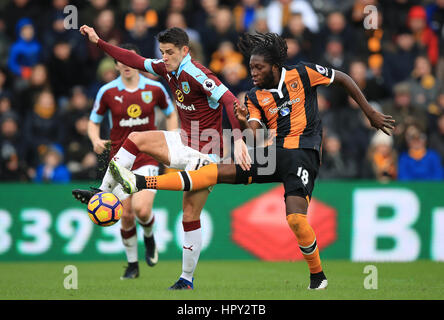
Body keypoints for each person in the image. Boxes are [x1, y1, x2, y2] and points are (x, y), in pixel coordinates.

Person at [108, 32, 395, 290]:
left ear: (275, 67)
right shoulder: (256, 96)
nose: (253, 73)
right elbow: (258, 136)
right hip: (271, 153)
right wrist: (245, 125)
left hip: (302, 154)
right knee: (210, 173)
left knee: (295, 219)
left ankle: (317, 275)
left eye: (258, 68)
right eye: (251, 67)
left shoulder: (304, 73)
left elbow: (342, 77)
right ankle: (140, 182)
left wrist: (369, 112)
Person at [73, 25, 250, 290]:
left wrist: (238, 142)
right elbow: (134, 59)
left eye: (169, 52)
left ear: (185, 51)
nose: (164, 57)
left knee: (189, 215)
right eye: (162, 52)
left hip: (206, 154)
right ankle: (101, 191)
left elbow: (229, 100)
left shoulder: (198, 73)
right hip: (182, 140)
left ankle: (186, 279)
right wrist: (99, 41)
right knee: (135, 139)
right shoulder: (167, 68)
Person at [81, 43, 178, 280]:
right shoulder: (107, 92)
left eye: (129, 59)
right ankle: (132, 265)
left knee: (141, 209)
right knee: (125, 215)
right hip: (120, 159)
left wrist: (172, 139)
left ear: (137, 61)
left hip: (148, 156)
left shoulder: (154, 88)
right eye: (120, 61)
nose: (125, 64)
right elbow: (93, 120)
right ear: (115, 64)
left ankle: (149, 234)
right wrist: (94, 139)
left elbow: (171, 112)